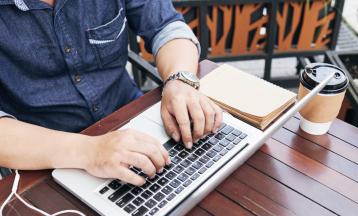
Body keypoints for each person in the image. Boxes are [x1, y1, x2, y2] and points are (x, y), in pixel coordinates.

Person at [0, 0, 222, 186]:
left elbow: (166, 26)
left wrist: (179, 81)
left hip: (133, 117)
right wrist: (90, 151)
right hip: (48, 156)